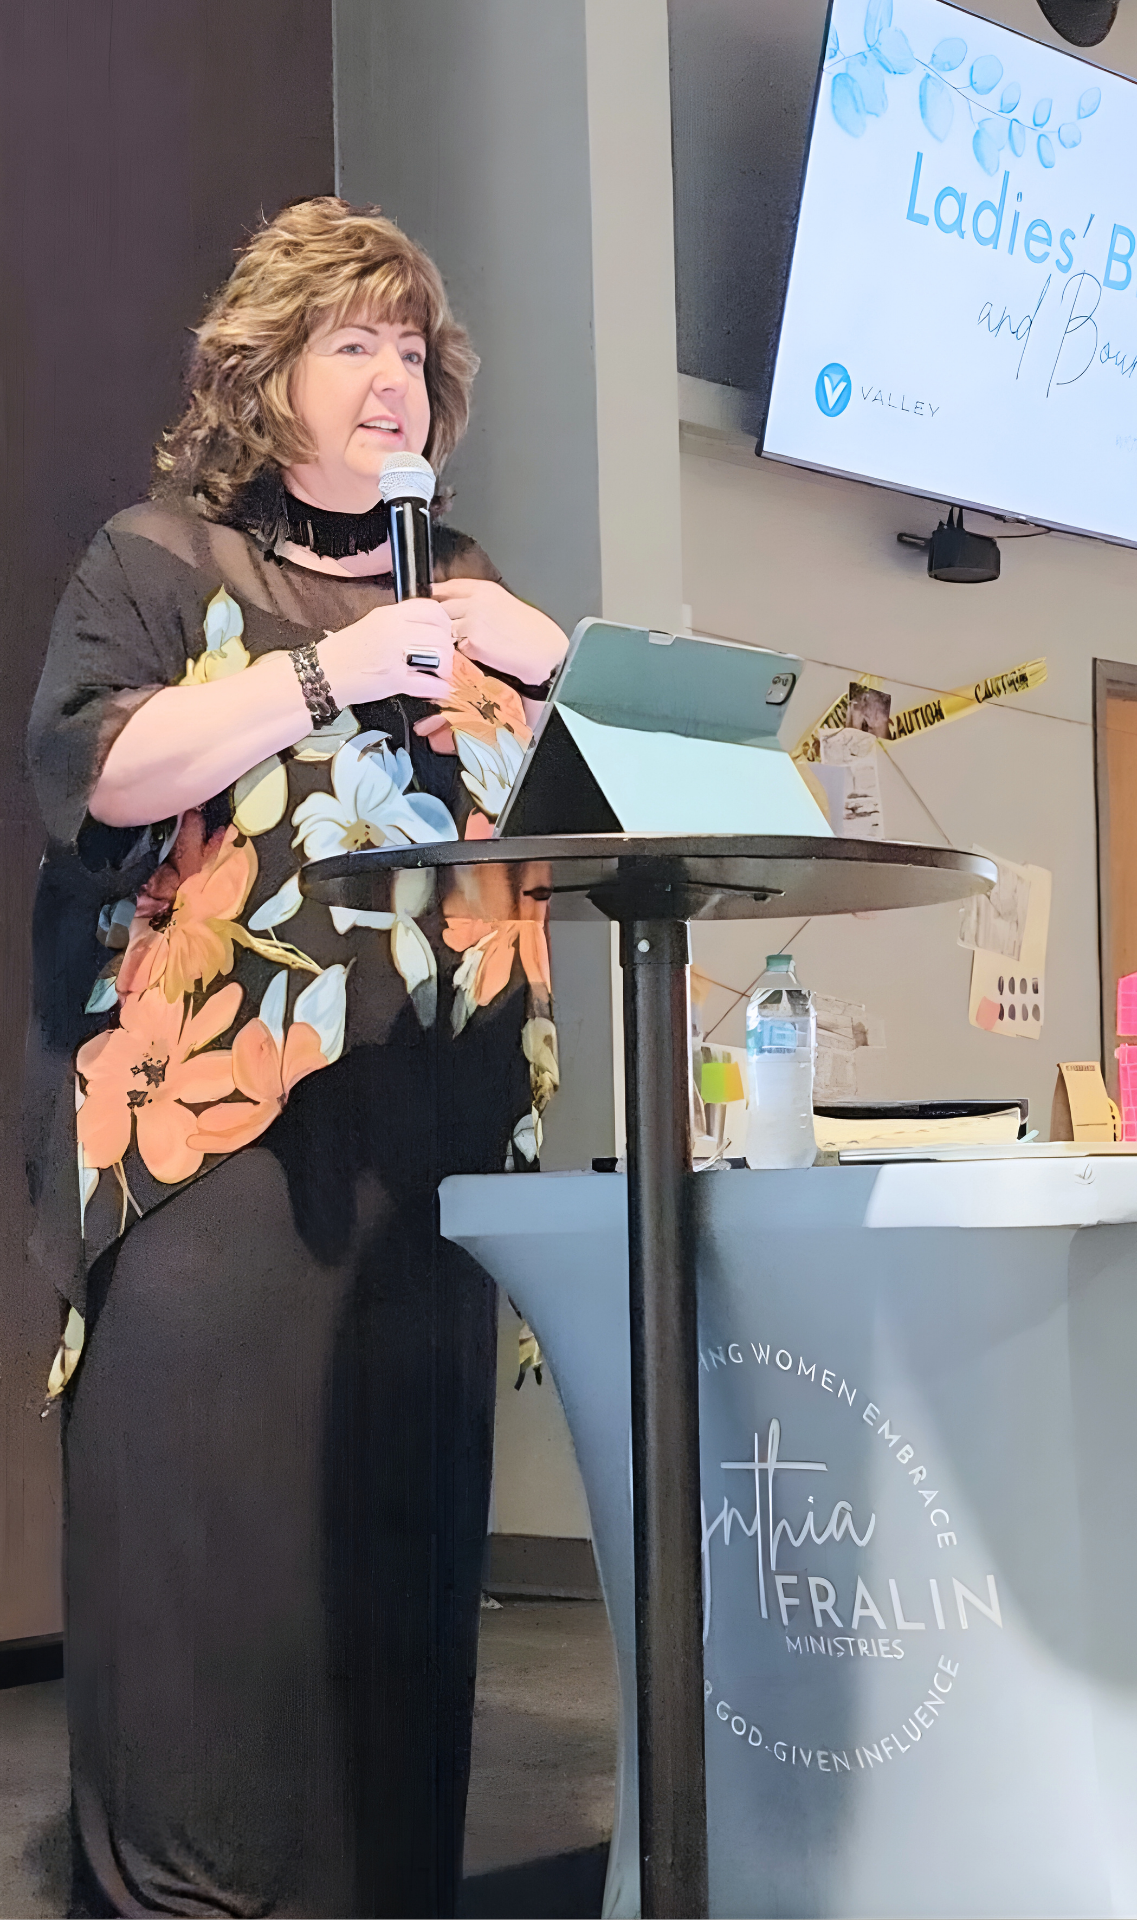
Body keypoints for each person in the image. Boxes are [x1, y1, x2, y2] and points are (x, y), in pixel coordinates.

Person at [25, 197, 570, 1917]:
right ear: (266, 375)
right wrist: (329, 673)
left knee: (393, 1582)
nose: (391, 380)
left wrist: (566, 681)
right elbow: (101, 775)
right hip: (220, 1164)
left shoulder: (466, 588)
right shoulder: (162, 562)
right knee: (223, 1591)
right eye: (351, 343)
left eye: (410, 349)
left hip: (436, 1153)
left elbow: (575, 815)